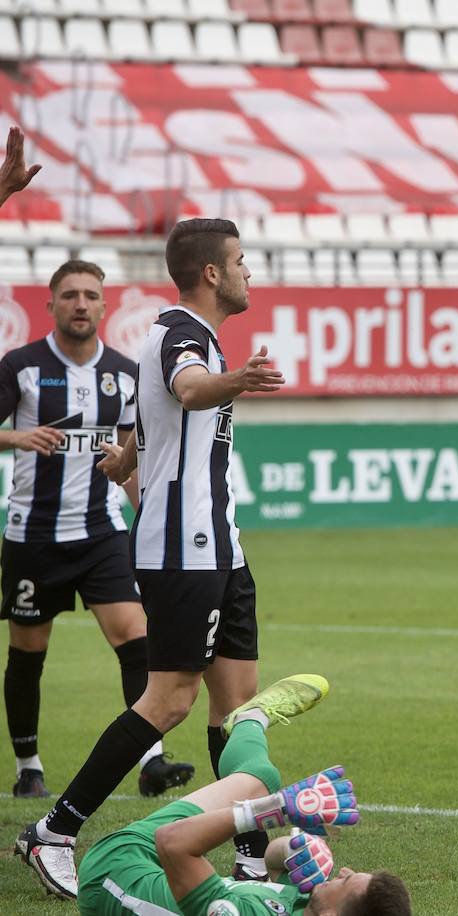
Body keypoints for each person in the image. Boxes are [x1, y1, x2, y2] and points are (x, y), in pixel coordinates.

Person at [17, 218, 285, 899]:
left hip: (219, 543)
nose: (250, 272)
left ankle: (250, 859)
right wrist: (240, 380)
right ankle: (54, 828)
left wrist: (127, 460)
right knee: (169, 700)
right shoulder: (182, 335)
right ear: (213, 275)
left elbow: (149, 416)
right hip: (183, 545)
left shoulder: (179, 337)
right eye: (242, 261)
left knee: (237, 703)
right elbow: (192, 390)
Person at [0, 259, 194, 800]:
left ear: (105, 306)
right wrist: (17, 438)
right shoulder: (22, 366)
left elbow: (133, 455)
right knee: (28, 654)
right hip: (32, 536)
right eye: (70, 295)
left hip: (101, 530)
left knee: (138, 640)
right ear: (52, 305)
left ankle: (151, 760)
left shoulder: (125, 374)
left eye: (90, 295)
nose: (80, 303)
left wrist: (146, 513)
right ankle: (29, 765)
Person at [76, 672, 413, 915]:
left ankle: (250, 718)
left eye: (346, 882)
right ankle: (250, 719)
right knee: (259, 783)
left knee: (260, 780)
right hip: (146, 866)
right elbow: (272, 866)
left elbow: (172, 843)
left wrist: (275, 809)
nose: (344, 871)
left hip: (115, 871)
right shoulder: (310, 907)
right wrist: (297, 849)